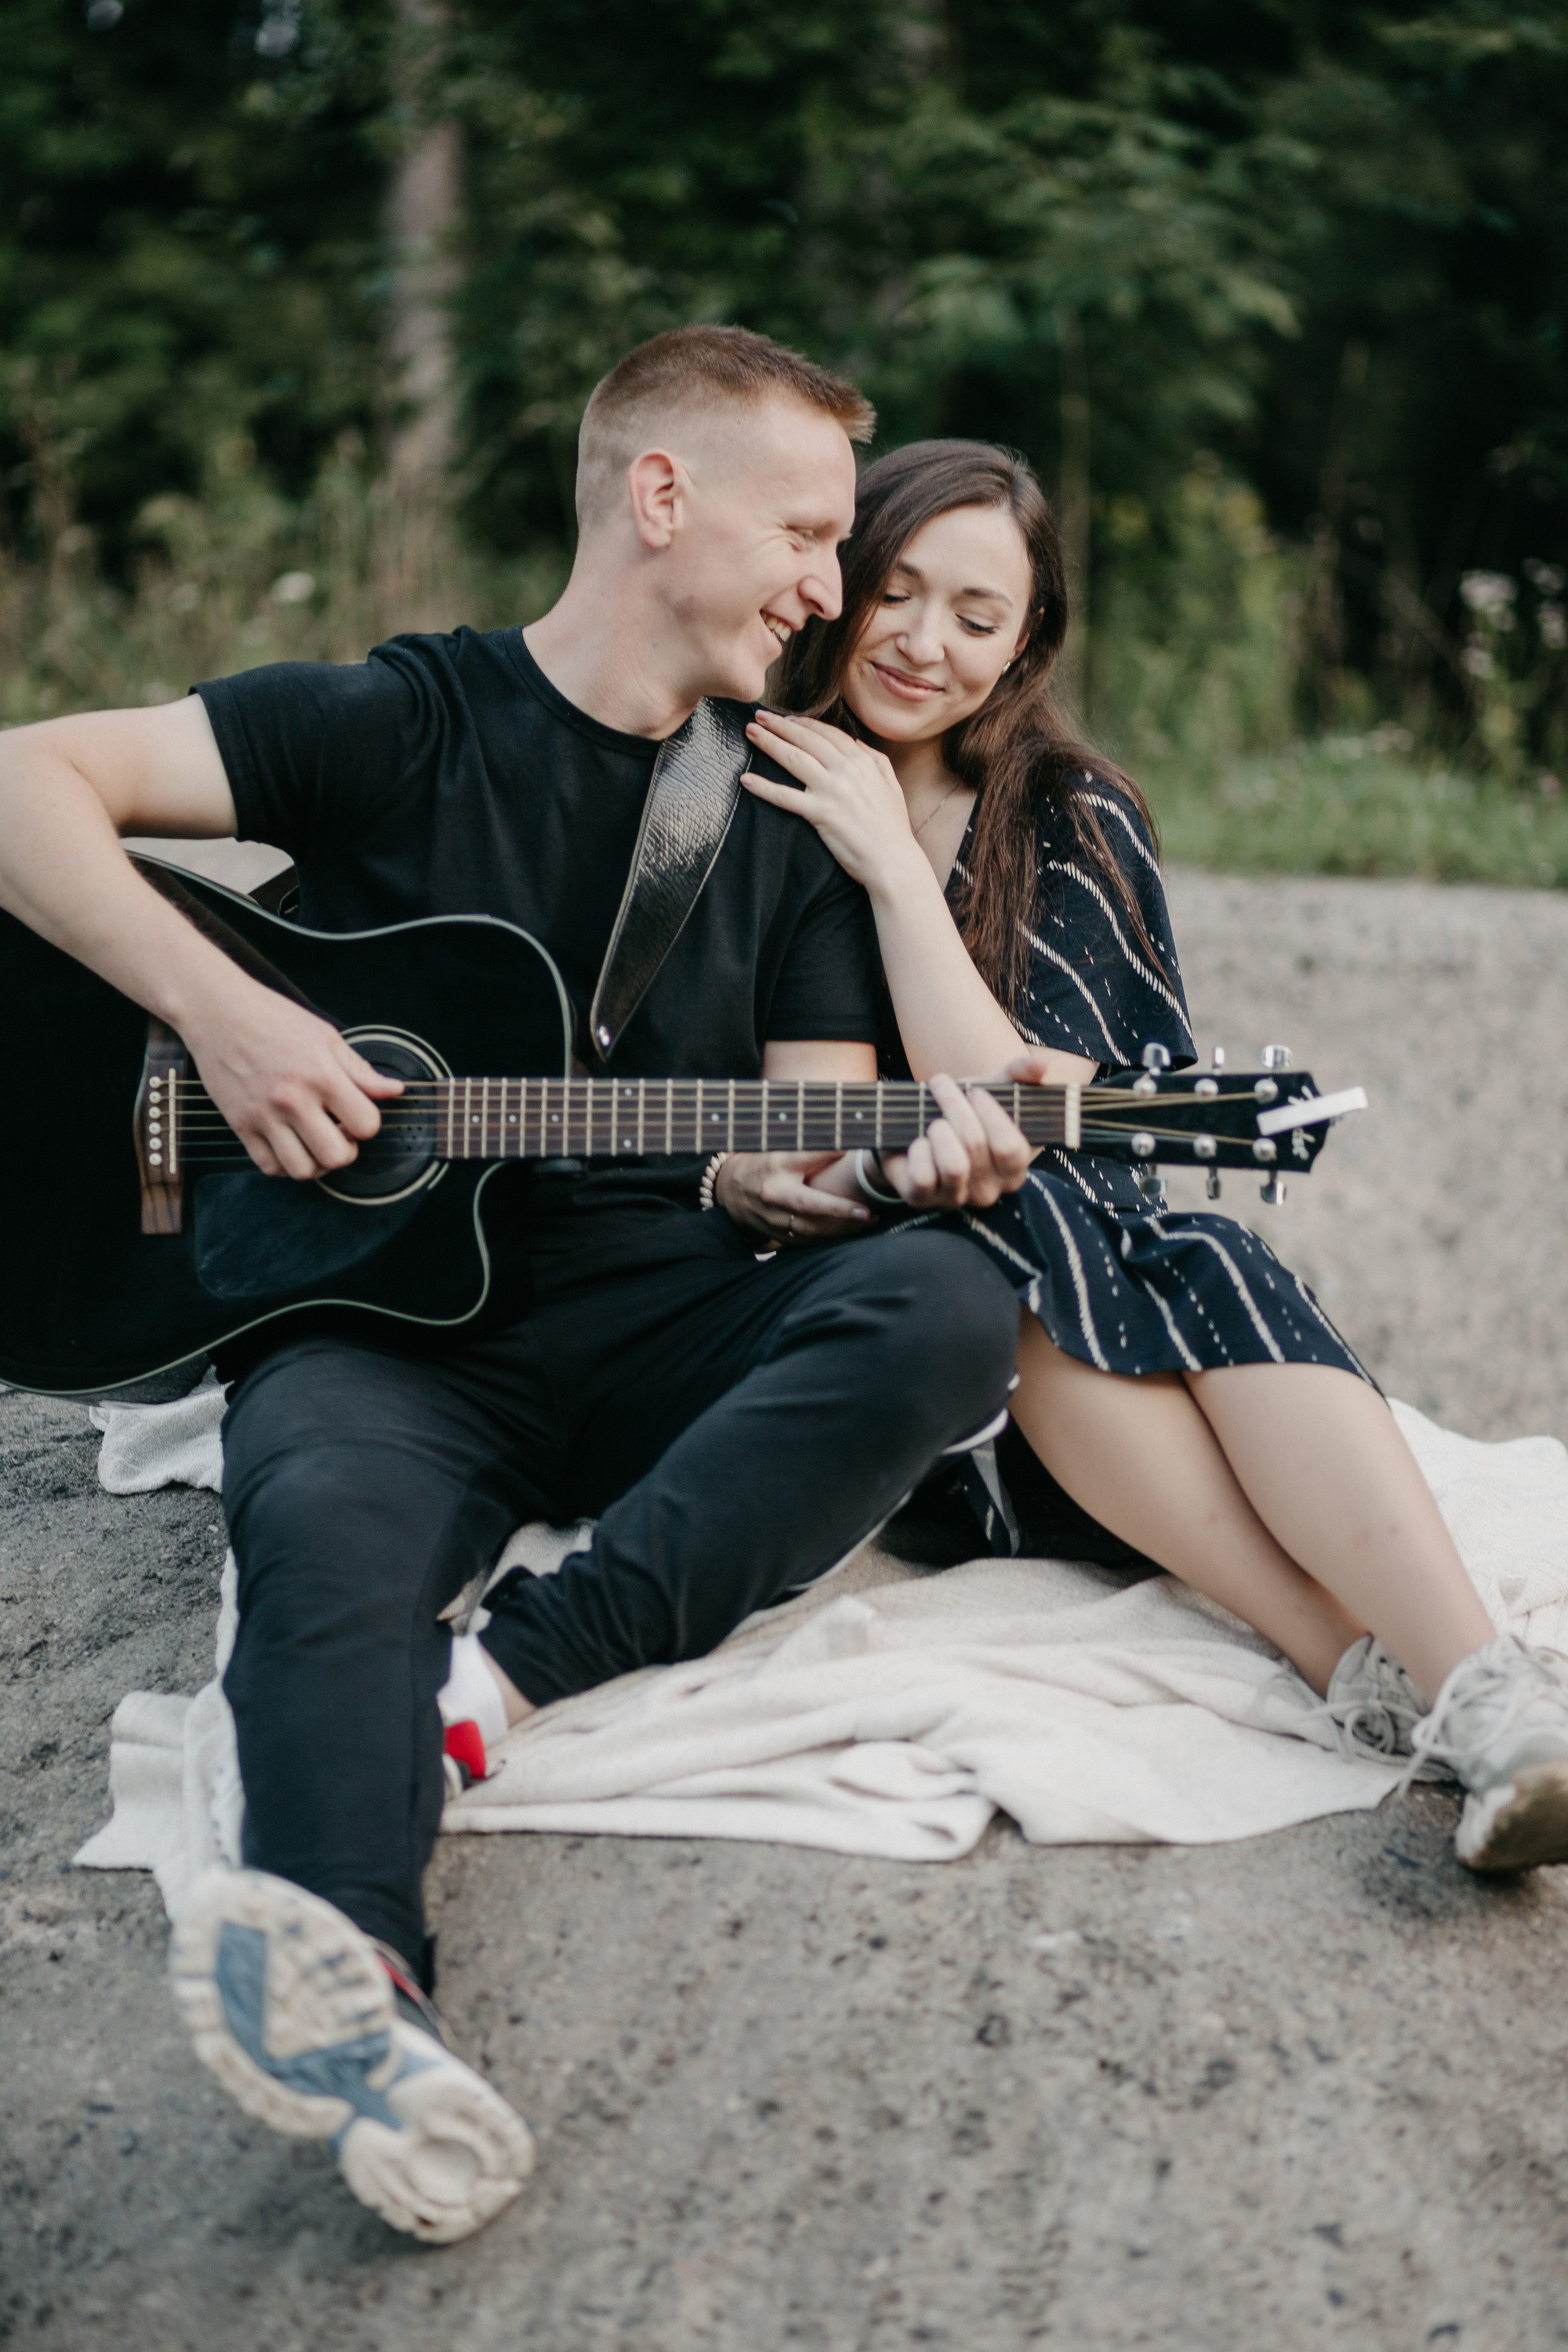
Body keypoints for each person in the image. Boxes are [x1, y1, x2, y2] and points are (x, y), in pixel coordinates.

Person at [0, 335, 1040, 2242]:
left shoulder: (799, 813)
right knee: (316, 1524)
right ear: (663, 500)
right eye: (805, 532)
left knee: (949, 1301)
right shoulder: (405, 719)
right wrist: (226, 1016)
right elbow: (17, 786)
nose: (831, 585)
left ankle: (504, 1684)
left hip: (664, 1314)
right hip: (376, 1327)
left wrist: (893, 1167)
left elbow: (799, 1157)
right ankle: (364, 2000)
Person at [716, 436, 1568, 1879]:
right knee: (983, 1266)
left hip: (1102, 1365)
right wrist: (854, 830)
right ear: (840, 580)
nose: (926, 644)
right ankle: (1348, 1664)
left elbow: (1030, 1112)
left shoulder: (1072, 819)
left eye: (979, 619)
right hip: (882, 1360)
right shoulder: (745, 789)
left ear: (1026, 643)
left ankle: (1486, 1699)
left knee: (1098, 1230)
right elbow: (790, 1136)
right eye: (898, 592)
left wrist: (892, 865)